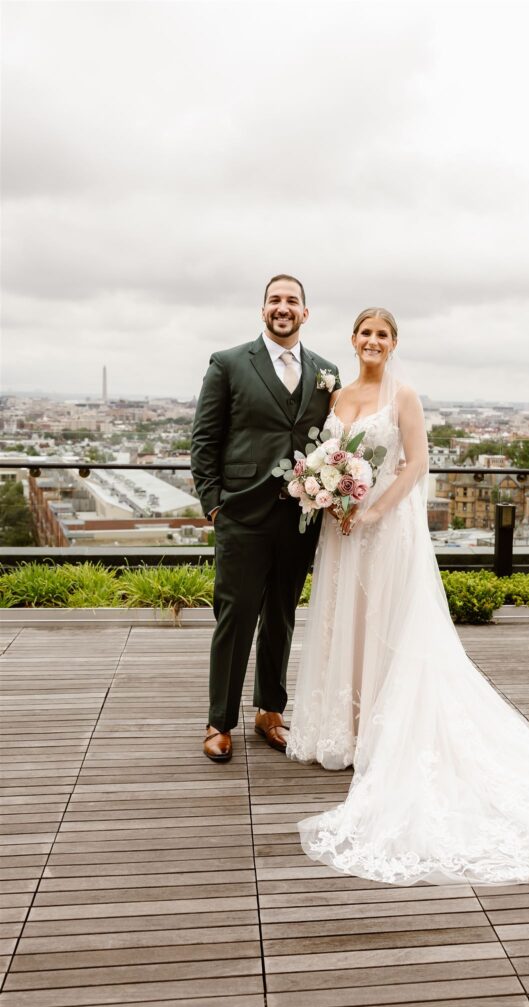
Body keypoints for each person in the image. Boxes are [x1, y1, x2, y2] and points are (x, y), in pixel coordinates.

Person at [287, 307, 529, 886]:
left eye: (382, 335)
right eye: (365, 333)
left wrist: (370, 509)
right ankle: (344, 730)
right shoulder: (337, 398)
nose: (372, 341)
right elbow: (330, 459)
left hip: (385, 528)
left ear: (394, 343)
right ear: (352, 341)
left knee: (387, 623)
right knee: (347, 618)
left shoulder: (404, 396)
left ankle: (383, 728)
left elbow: (417, 463)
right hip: (341, 531)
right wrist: (328, 496)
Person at [191, 275, 340, 763]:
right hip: (242, 513)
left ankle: (269, 712)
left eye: (291, 301)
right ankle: (219, 720)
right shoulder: (229, 364)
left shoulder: (326, 372)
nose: (283, 307)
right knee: (234, 618)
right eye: (275, 300)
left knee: (281, 615)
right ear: (262, 311)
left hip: (300, 516)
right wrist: (214, 502)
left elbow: (330, 441)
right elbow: (205, 439)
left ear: (305, 312)